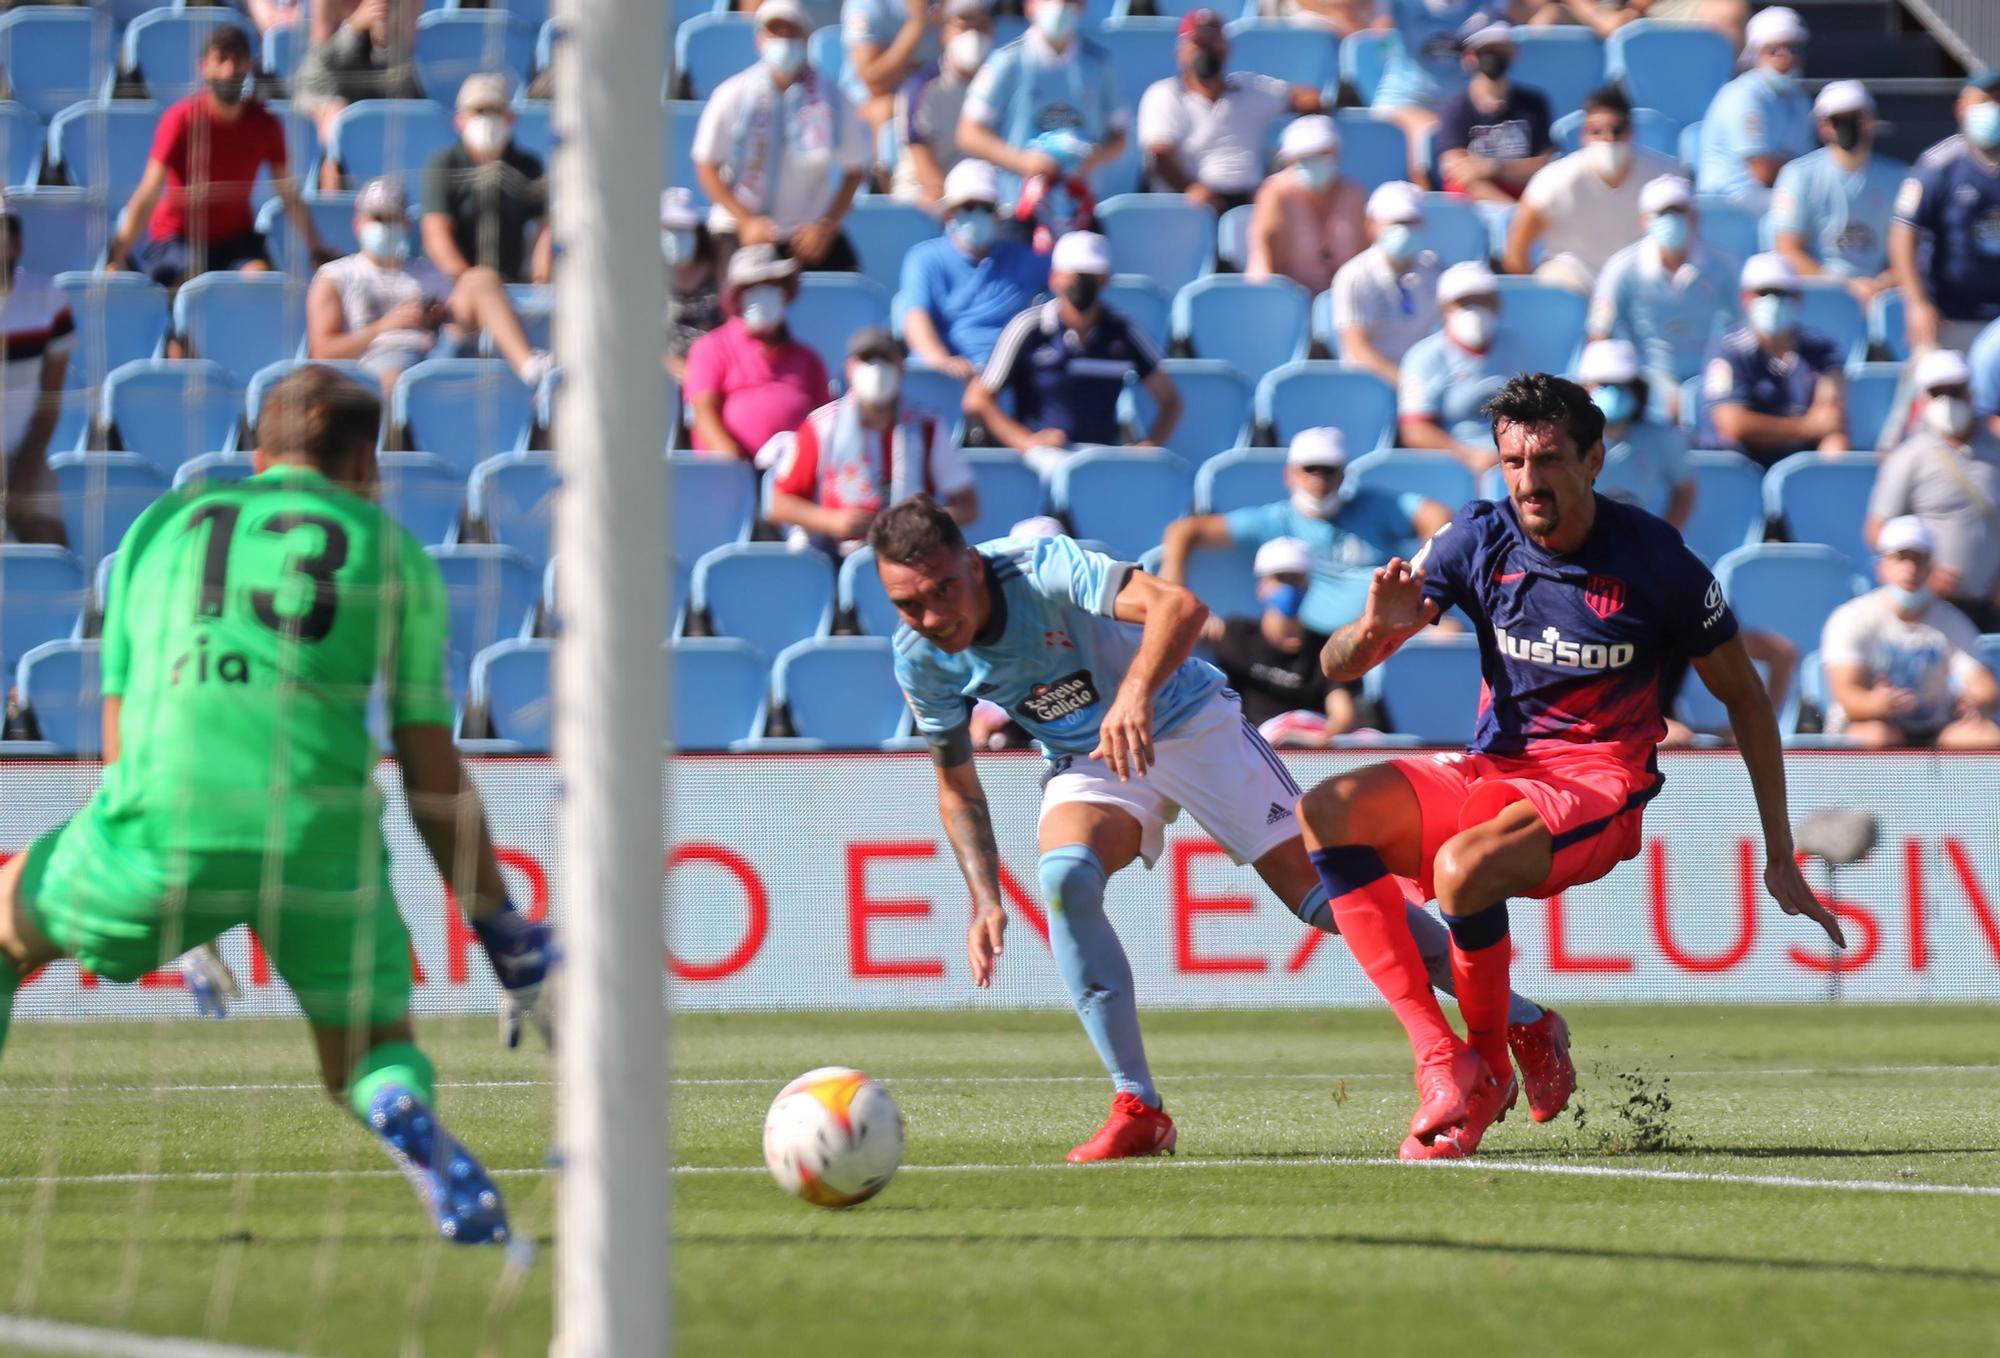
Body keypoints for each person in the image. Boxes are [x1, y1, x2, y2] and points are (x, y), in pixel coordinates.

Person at [0, 366, 554, 1241]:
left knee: (5, 924)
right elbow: (428, 771)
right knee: (368, 1057)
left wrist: (177, 893)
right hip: (319, 836)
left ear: (258, 447)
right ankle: (404, 1113)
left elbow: (121, 734)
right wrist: (501, 932)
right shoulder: (389, 551)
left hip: (159, 826)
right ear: (365, 461)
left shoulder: (160, 528)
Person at [874, 494, 1568, 1162]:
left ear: (970, 564)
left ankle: (1523, 1020)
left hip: (1186, 719)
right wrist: (986, 896)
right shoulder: (920, 656)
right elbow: (957, 787)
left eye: (941, 590)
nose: (932, 615)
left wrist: (1135, 697)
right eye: (908, 603)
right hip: (1093, 755)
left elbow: (1179, 606)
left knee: (1325, 901)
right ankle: (1138, 1108)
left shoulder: (1039, 567)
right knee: (1064, 881)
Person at [1292, 371, 1846, 1160]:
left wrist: (1780, 852)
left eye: (1548, 459)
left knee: (1461, 869)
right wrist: (1372, 632)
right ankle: (1447, 1056)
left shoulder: (1657, 560)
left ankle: (1484, 1070)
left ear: (1593, 460)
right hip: (1498, 768)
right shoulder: (1477, 538)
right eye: (1514, 462)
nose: (1529, 480)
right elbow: (1338, 665)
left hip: (1599, 783)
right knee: (1327, 811)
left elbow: (1748, 701)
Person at [1158, 424, 1451, 636]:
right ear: (1290, 474)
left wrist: (1422, 583)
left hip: (1388, 633)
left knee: (1446, 635)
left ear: (1343, 474)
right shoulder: (1273, 521)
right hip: (1312, 645)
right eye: (1310, 468)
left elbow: (1438, 516)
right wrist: (1173, 598)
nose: (1319, 478)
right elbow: (1184, 531)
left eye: (1328, 469)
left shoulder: (1372, 507)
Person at [108, 26, 328, 288]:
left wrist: (316, 247)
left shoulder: (265, 124)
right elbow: (148, 192)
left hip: (236, 241)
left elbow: (288, 194)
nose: (229, 70)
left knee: (260, 284)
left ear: (249, 65)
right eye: (221, 60)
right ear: (203, 67)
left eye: (237, 60)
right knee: (191, 287)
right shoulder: (181, 120)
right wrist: (116, 257)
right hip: (178, 238)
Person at [308, 179, 552, 396]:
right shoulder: (336, 275)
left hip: (436, 355)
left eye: (392, 219)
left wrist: (439, 316)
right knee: (393, 378)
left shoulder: (430, 273)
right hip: (376, 362)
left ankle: (530, 369)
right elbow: (322, 351)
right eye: (378, 219)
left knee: (480, 280)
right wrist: (385, 326)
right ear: (358, 224)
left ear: (405, 225)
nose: (385, 227)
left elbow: (460, 320)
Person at [965, 230, 1180, 473]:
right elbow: (977, 399)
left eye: (1092, 276)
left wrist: (1148, 447)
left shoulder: (1123, 332)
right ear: (1055, 278)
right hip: (1043, 461)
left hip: (1101, 461)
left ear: (1105, 279)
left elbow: (1170, 400)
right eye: (1075, 275)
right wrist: (1024, 441)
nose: (1083, 283)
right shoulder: (1029, 328)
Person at [693, 0, 869, 271]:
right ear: (759, 41)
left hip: (808, 234)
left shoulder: (832, 97)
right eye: (775, 32)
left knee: (846, 276)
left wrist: (826, 226)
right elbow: (707, 164)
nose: (783, 40)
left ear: (806, 38)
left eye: (791, 31)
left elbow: (855, 168)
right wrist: (745, 221)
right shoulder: (734, 95)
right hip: (740, 229)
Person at [769, 328, 980, 552]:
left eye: (886, 360)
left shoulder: (928, 425)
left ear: (901, 368)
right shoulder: (822, 425)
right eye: (867, 360)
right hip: (837, 553)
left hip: (910, 553)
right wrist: (832, 521)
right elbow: (779, 504)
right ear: (850, 368)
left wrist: (920, 524)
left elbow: (968, 505)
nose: (877, 369)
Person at [1821, 516, 2000, 749]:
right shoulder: (1851, 618)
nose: (1910, 569)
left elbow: (1984, 686)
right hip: (1872, 725)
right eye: (1901, 558)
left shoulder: (1952, 621)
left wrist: (1976, 700)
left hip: (1936, 730)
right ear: (1882, 567)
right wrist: (1877, 703)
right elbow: (1847, 695)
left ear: (1931, 568)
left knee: (1985, 737)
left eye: (1919, 560)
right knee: (1877, 736)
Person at [1137, 10, 1325, 214]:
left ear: (1227, 49)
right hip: (1189, 204)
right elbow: (1159, 156)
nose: (1206, 53)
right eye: (1199, 46)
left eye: (1213, 45)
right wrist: (1192, 189)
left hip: (1249, 202)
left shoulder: (1250, 89)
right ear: (1181, 54)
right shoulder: (1164, 95)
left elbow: (1309, 99)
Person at [1865, 349, 2000, 632]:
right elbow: (1878, 530)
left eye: (1955, 390)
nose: (1947, 400)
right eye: (1938, 392)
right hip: (1937, 607)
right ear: (1923, 399)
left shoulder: (1996, 448)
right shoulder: (1908, 457)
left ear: (1971, 393)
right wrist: (1926, 575)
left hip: (1993, 605)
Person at [1588, 174, 1738, 424]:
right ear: (1644, 221)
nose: (1671, 220)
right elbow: (1600, 333)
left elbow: (1741, 329)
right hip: (1645, 379)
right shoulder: (1621, 269)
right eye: (1662, 213)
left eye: (1678, 211)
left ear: (1694, 218)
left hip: (1711, 378)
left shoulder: (1723, 266)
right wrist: (1646, 386)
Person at [1504, 86, 1678, 293]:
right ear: (1584, 135)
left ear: (1631, 132)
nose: (1608, 138)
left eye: (1617, 130)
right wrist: (1530, 299)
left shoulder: (1661, 174)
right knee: (1556, 282)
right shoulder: (1556, 179)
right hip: (1574, 277)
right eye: (1597, 131)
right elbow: (1518, 240)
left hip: (1637, 279)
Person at [957, 0, 1129, 207]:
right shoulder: (1007, 61)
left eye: (1068, 1)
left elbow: (1120, 135)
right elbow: (968, 133)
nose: (1059, 5)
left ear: (1082, 7)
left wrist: (1096, 156)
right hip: (1017, 204)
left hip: (1079, 206)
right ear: (1029, 6)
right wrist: (1022, 161)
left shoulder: (1099, 63)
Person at [899, 160, 1050, 378]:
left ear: (997, 215)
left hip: (1008, 381)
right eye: (968, 206)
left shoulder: (1024, 259)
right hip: (945, 381)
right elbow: (915, 320)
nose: (977, 214)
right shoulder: (924, 259)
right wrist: (943, 362)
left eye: (986, 207)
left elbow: (1068, 276)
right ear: (950, 213)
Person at [1204, 537, 1360, 744]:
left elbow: (1342, 714)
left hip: (1309, 755)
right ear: (1262, 587)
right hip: (1254, 753)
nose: (1289, 587)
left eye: (1296, 578)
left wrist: (1315, 741)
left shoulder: (1327, 649)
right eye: (1280, 578)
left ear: (1308, 585)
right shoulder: (1236, 636)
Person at [1888, 70, 2000, 357]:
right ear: (1962, 108)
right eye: (1985, 101)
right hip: (1949, 318)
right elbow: (1903, 233)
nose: (1994, 110)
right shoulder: (1938, 165)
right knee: (1943, 401)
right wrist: (1917, 303)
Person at [683, 246, 831, 461]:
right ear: (737, 296)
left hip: (793, 479)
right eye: (752, 287)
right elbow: (703, 413)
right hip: (731, 478)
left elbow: (824, 424)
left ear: (784, 292)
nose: (763, 293)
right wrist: (735, 465)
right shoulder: (711, 348)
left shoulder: (808, 360)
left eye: (771, 284)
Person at [1769, 81, 1908, 305]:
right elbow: (1787, 249)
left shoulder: (1900, 178)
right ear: (1823, 127)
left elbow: (1912, 247)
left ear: (1871, 122)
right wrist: (1843, 287)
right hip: (1819, 295)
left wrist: (1885, 282)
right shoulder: (1798, 175)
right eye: (1838, 120)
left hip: (1883, 294)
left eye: (1856, 118)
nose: (1848, 127)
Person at [1703, 252, 1847, 467]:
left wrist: (1831, 474)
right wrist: (1805, 427)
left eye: (1781, 292)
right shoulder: (1727, 351)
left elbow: (1830, 419)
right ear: (1745, 298)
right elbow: (1732, 423)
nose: (1772, 300)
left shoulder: (1821, 348)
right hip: (1746, 468)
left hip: (1802, 468)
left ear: (1798, 298)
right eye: (1763, 292)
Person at [1399, 261, 1541, 472]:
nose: (1475, 311)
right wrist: (1469, 456)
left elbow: (1535, 410)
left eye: (1483, 301)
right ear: (1444, 309)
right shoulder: (1424, 357)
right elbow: (1415, 430)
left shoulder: (1515, 347)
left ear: (1497, 306)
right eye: (1464, 303)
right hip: (1455, 464)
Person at [418, 75, 551, 288]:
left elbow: (545, 228)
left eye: (495, 111)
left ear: (510, 118)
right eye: (478, 111)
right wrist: (470, 284)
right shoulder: (444, 163)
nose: (487, 120)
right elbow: (435, 232)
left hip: (511, 285)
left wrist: (541, 280)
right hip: (455, 286)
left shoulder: (528, 166)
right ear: (459, 120)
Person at [0, 198, 72, 547]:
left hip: (25, 452)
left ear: (16, 243)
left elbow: (51, 398)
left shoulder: (49, 302)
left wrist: (27, 469)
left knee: (49, 545)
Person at [292, 0, 423, 190]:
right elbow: (325, 59)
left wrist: (385, 40)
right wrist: (354, 28)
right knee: (337, 124)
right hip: (327, 87)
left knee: (414, 118)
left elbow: (403, 61)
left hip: (381, 85)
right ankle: (334, 205)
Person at [1695, 5, 1814, 210]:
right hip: (1728, 206)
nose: (1786, 57)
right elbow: (1763, 172)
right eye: (1774, 50)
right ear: (1755, 53)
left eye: (1794, 49)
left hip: (1773, 201)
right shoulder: (1743, 95)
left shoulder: (1800, 99)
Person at [1326, 180, 1441, 386]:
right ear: (1372, 225)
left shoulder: (1436, 272)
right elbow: (1357, 347)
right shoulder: (1354, 276)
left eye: (1410, 222)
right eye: (1395, 222)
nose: (1403, 230)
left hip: (1423, 383)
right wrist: (1407, 385)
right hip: (1368, 386)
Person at [1245, 116, 1369, 297]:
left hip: (1345, 301)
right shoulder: (1274, 193)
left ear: (1336, 153)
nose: (1312, 160)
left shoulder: (1353, 193)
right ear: (1289, 160)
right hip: (1288, 301)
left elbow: (1363, 258)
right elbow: (1266, 260)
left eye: (1321, 153)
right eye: (1303, 156)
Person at [1434, 17, 1553, 205]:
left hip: (1526, 196)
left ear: (1513, 54)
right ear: (1469, 57)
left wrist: (1493, 167)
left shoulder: (1533, 103)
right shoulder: (1455, 109)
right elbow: (1460, 173)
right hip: (1482, 206)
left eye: (1501, 50)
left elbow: (1545, 165)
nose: (1494, 57)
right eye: (1486, 51)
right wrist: (1512, 211)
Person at [1574, 339, 1691, 527]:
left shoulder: (1659, 437)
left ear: (1636, 388)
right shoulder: (1566, 439)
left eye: (1622, 385)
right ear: (1584, 388)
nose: (1614, 393)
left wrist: (1665, 536)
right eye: (1604, 384)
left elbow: (1685, 490)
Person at [890, 0, 995, 207]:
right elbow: (925, 169)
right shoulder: (920, 88)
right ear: (944, 33)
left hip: (983, 193)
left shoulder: (1004, 83)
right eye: (964, 26)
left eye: (981, 27)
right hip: (928, 194)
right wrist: (958, 205)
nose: (973, 35)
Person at [1370, 0, 1489, 180]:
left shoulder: (1488, 5)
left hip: (1464, 111)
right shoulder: (1400, 4)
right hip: (1403, 104)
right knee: (1431, 136)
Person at [843, 0, 932, 136]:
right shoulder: (865, 5)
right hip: (869, 101)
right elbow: (875, 84)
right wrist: (917, 22)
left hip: (933, 93)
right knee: (888, 110)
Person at [665, 187, 727, 382]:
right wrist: (676, 367)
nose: (676, 236)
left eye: (684, 228)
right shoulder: (647, 278)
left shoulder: (718, 267)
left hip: (716, 371)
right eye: (669, 228)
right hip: (664, 377)